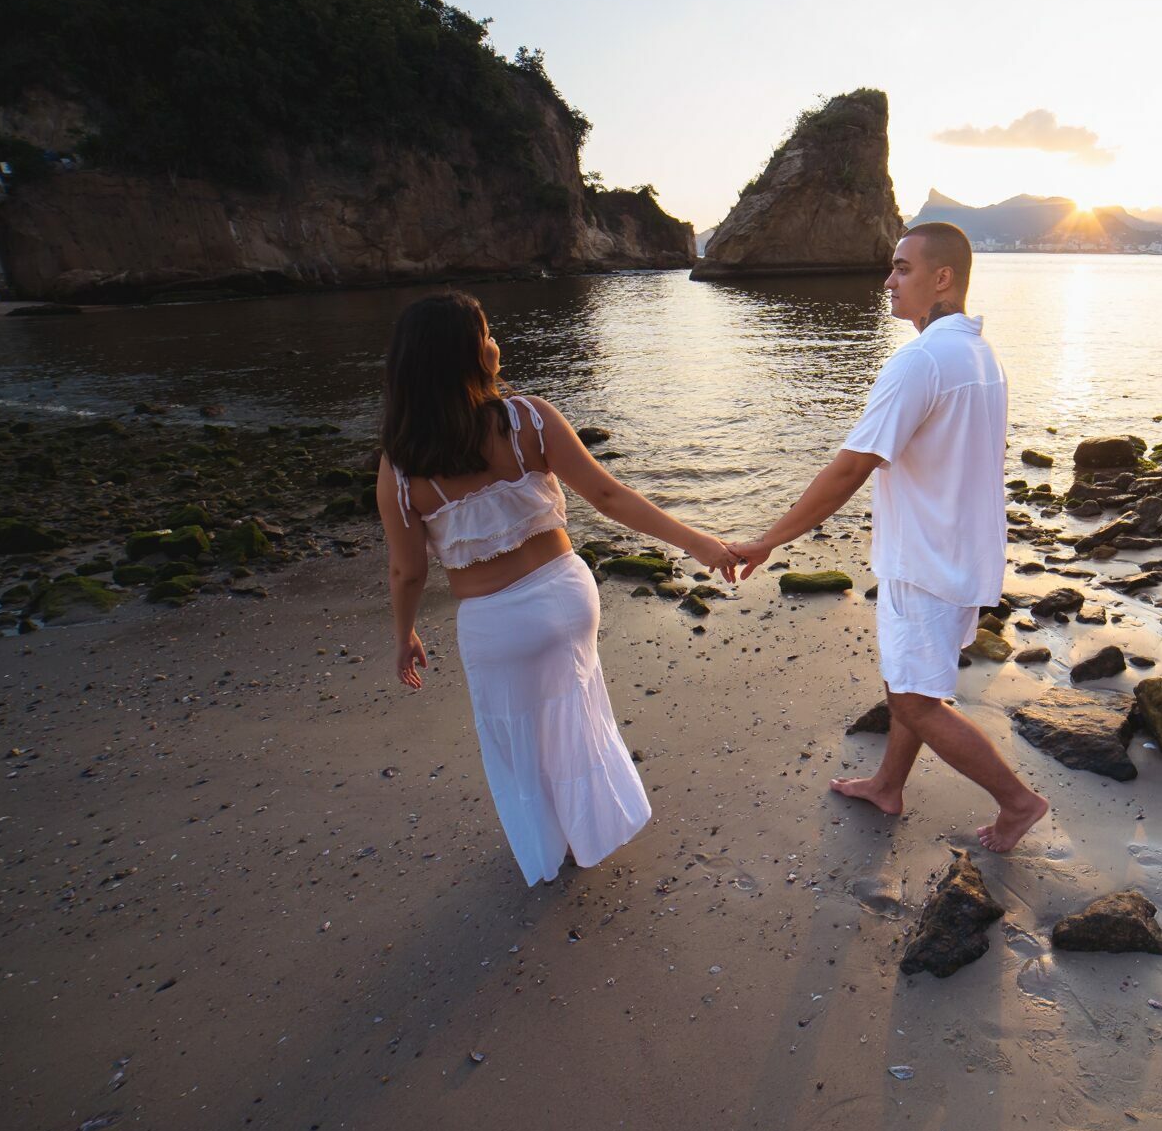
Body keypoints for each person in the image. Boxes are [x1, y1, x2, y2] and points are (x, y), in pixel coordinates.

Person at [375, 291, 741, 885]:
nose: (495, 344)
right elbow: (609, 496)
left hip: (493, 622)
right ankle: (588, 828)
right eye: (486, 334)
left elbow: (407, 570)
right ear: (468, 354)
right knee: (575, 711)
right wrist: (696, 542)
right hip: (567, 597)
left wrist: (404, 635)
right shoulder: (529, 419)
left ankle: (552, 841)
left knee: (520, 736)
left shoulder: (400, 468)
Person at [728, 223, 1050, 852]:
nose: (888, 281)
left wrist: (769, 541)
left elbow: (852, 467)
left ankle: (1018, 802)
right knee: (915, 686)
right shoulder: (979, 352)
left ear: (942, 278)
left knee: (911, 700)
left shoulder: (921, 359)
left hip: (926, 559)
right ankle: (887, 785)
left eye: (902, 268)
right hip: (962, 550)